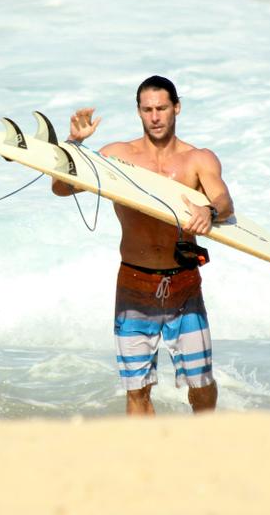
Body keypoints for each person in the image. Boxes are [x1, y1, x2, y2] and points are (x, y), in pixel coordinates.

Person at [52, 76, 234, 416]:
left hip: (184, 284)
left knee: (202, 386)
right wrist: (73, 145)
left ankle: (207, 447)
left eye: (162, 108)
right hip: (134, 284)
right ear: (138, 111)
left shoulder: (198, 159)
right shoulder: (117, 156)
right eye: (147, 109)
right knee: (137, 390)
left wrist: (208, 211)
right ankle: (146, 458)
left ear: (176, 107)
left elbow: (225, 202)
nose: (155, 117)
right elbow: (62, 189)